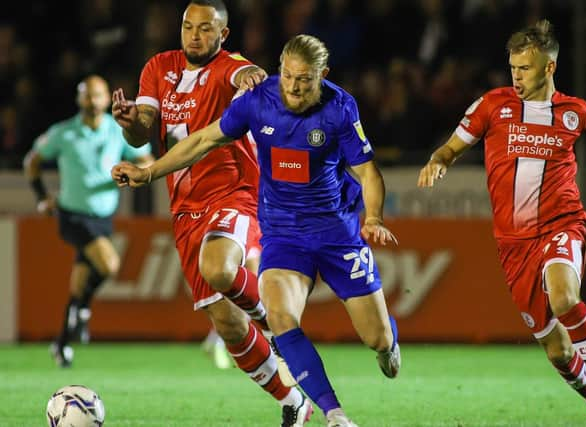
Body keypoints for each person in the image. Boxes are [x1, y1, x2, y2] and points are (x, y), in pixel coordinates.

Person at [112, 34, 401, 427]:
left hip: (336, 233)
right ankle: (334, 414)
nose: (294, 88)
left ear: (323, 75)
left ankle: (388, 345)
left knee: (376, 338)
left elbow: (368, 172)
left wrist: (374, 218)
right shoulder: (259, 101)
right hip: (282, 233)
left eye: (305, 80)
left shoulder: (340, 108)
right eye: (288, 77)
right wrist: (148, 173)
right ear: (280, 69)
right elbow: (203, 140)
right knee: (281, 320)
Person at [418, 20, 586, 427]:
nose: (516, 77)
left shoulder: (575, 112)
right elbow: (450, 149)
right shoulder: (491, 106)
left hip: (561, 225)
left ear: (549, 68)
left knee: (564, 298)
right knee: (557, 351)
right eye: (513, 68)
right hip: (513, 244)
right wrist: (437, 162)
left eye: (525, 68)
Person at [110, 1, 311, 425]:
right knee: (228, 325)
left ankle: (274, 324)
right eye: (188, 27)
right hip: (185, 208)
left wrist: (251, 76)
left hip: (234, 192)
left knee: (220, 267)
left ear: (223, 35)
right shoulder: (158, 67)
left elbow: (242, 72)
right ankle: (291, 401)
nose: (194, 36)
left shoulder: (227, 67)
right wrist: (130, 122)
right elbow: (143, 128)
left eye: (205, 29)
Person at [23, 75, 154, 367]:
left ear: (107, 99)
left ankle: (61, 344)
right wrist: (41, 197)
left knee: (79, 286)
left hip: (104, 216)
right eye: (87, 96)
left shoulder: (116, 130)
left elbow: (146, 159)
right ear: (79, 99)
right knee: (109, 264)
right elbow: (31, 161)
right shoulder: (64, 133)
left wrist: (135, 170)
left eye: (97, 96)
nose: (92, 102)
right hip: (72, 215)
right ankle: (82, 313)